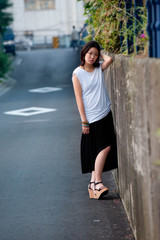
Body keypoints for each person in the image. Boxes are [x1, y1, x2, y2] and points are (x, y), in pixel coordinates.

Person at [72, 40, 118, 199]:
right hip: (92, 117)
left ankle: (93, 184)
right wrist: (84, 121)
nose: (92, 57)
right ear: (84, 53)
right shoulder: (77, 74)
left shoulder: (99, 68)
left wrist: (101, 51)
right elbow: (79, 99)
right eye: (89, 53)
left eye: (95, 54)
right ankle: (97, 182)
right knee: (104, 148)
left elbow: (109, 60)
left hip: (105, 112)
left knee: (101, 149)